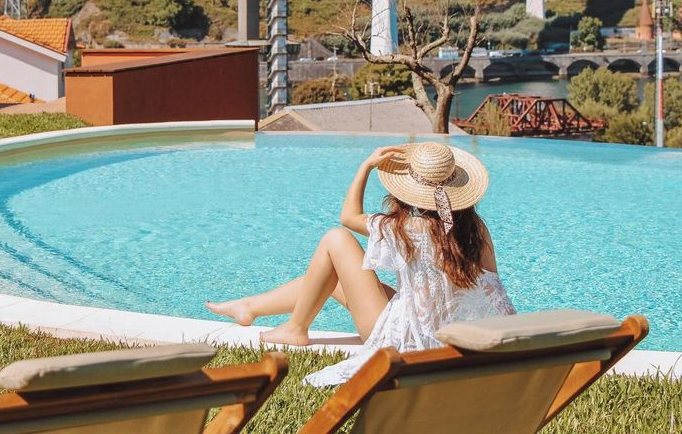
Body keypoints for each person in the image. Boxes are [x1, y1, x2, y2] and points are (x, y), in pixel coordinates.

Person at [206, 141, 516, 386]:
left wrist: (366, 166)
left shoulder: (403, 227)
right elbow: (492, 287)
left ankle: (294, 328)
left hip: (408, 336)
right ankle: (249, 307)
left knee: (336, 239)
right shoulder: (476, 228)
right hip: (450, 328)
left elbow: (347, 217)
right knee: (332, 278)